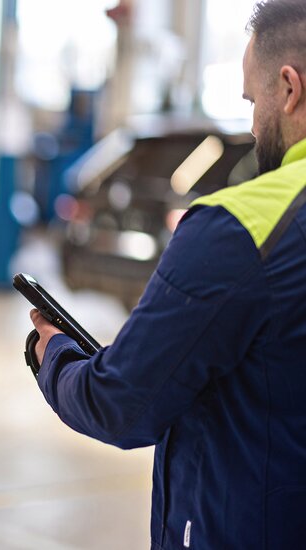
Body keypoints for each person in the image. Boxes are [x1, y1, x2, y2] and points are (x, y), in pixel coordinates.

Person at [29, 1, 306, 548]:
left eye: (253, 100)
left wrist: (54, 356)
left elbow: (121, 405)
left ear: (290, 88)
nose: (252, 122)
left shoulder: (238, 227)